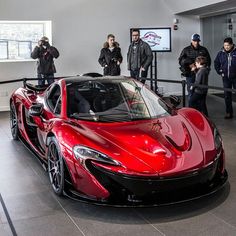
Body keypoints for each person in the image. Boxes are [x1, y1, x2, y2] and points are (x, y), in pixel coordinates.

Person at [179, 34, 211, 100]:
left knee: (201, 93)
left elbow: (208, 61)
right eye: (194, 41)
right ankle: (191, 108)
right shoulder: (186, 50)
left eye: (197, 41)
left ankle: (200, 109)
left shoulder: (204, 49)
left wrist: (206, 70)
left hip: (201, 74)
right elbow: (180, 61)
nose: (196, 42)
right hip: (190, 74)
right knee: (191, 92)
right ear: (191, 40)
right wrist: (189, 62)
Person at [214, 37, 236, 119]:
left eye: (228, 45)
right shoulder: (221, 53)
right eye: (225, 45)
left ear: (232, 45)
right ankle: (229, 112)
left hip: (235, 78)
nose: (226, 47)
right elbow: (216, 62)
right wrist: (220, 71)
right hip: (226, 78)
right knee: (227, 95)